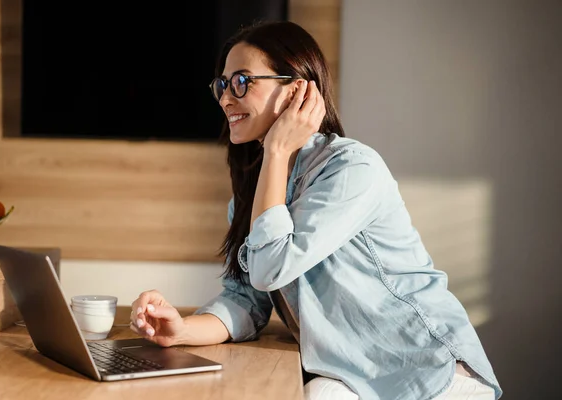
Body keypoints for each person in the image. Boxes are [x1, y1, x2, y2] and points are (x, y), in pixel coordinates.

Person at [130, 20, 503, 400]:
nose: (226, 98)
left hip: (429, 371)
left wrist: (276, 149)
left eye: (242, 81)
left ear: (295, 91)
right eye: (223, 85)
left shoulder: (352, 169)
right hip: (352, 372)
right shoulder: (253, 196)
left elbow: (268, 270)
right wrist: (181, 329)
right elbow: (246, 299)